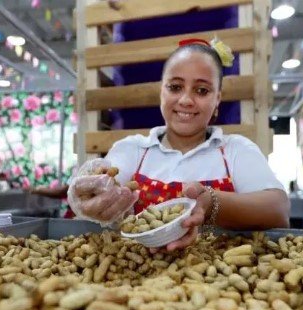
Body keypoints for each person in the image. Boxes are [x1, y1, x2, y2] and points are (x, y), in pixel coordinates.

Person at [67, 38, 289, 251]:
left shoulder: (235, 150)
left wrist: (211, 203)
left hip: (217, 281)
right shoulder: (133, 150)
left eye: (202, 90)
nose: (186, 100)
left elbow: (278, 210)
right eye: (175, 87)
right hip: (137, 278)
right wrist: (93, 190)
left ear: (218, 99)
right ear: (161, 91)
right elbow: (105, 180)